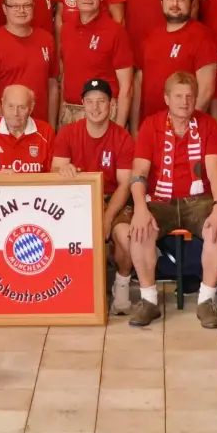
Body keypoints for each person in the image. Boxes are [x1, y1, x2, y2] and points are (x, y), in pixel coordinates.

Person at [118, 71, 217, 328]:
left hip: (198, 199)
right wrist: (141, 208)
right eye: (178, 96)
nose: (184, 101)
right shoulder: (151, 125)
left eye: (190, 96)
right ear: (167, 99)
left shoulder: (208, 125)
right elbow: (138, 174)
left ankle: (207, 299)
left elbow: (215, 170)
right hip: (160, 199)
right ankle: (148, 301)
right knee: (140, 230)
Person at [51, 78, 134, 315]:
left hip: (112, 198)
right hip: (78, 200)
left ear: (112, 105)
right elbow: (55, 169)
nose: (95, 108)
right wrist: (63, 171)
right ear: (82, 105)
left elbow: (125, 184)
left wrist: (106, 219)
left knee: (126, 236)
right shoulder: (67, 133)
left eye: (101, 101)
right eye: (90, 102)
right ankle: (74, 289)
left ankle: (122, 284)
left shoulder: (123, 137)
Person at [131, 0, 217, 130]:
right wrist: (135, 128)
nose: (175, 4)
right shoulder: (150, 36)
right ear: (161, 2)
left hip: (183, 131)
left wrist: (183, 128)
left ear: (192, 4)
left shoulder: (202, 36)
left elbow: (206, 90)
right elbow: (138, 84)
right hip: (150, 128)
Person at [56, 0, 134, 127]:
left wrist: (118, 130)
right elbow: (65, 77)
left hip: (103, 114)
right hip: (69, 113)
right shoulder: (66, 29)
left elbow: (127, 87)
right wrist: (59, 120)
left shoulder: (115, 31)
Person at [0, 0, 57, 124]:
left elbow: (52, 85)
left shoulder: (46, 39)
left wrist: (50, 127)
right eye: (15, 6)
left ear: (33, 7)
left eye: (26, 5)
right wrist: (6, 127)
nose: (21, 10)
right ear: (5, 9)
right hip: (4, 133)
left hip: (39, 130)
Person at [0, 85, 55, 174]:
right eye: (10, 106)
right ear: (2, 104)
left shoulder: (46, 132)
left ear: (31, 108)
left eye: (22, 107)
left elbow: (54, 173)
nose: (15, 113)